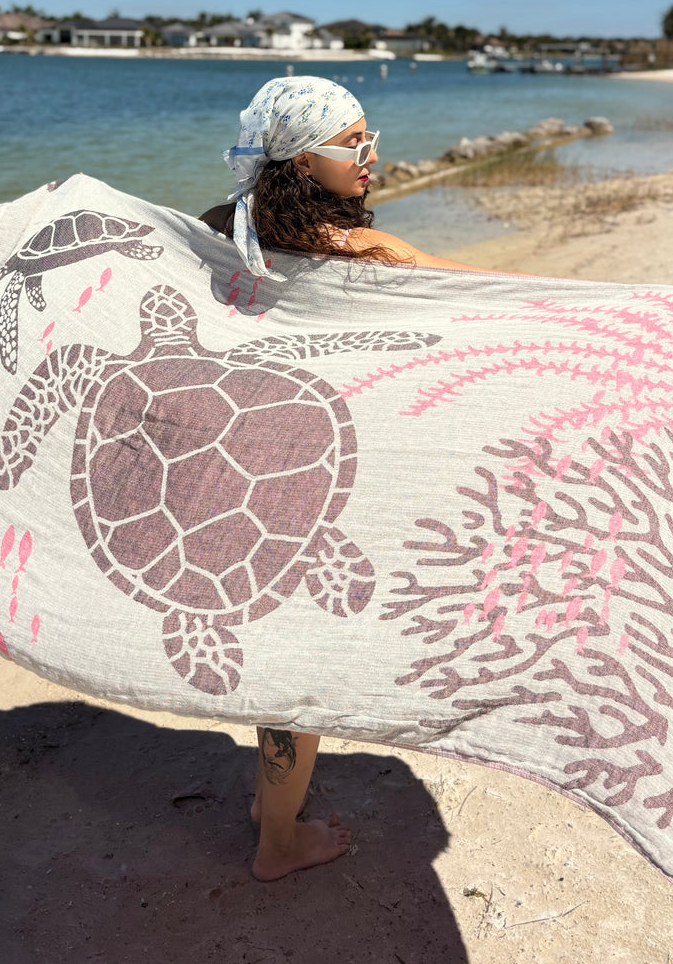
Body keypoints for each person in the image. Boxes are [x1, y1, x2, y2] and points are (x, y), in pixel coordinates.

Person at [200, 76, 484, 883]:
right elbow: (489, 297)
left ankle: (269, 801)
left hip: (235, 472)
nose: (372, 153)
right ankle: (277, 843)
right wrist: (639, 309)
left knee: (276, 659)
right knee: (301, 669)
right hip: (303, 485)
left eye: (371, 135)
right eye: (352, 142)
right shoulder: (363, 254)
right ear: (298, 159)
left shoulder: (224, 230)